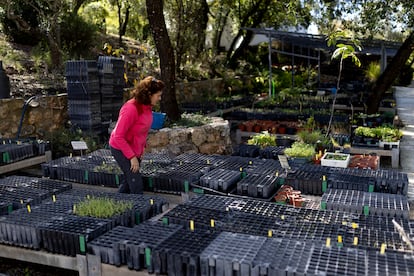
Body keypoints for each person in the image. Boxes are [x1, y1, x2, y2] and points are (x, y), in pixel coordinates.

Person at [109, 76, 164, 194]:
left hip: (134, 150)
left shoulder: (147, 107)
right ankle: (139, 209)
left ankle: (118, 205)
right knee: (136, 184)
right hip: (121, 149)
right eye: (158, 95)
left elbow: (142, 131)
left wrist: (141, 149)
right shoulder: (131, 109)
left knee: (129, 183)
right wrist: (132, 157)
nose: (160, 98)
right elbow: (118, 136)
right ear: (149, 94)